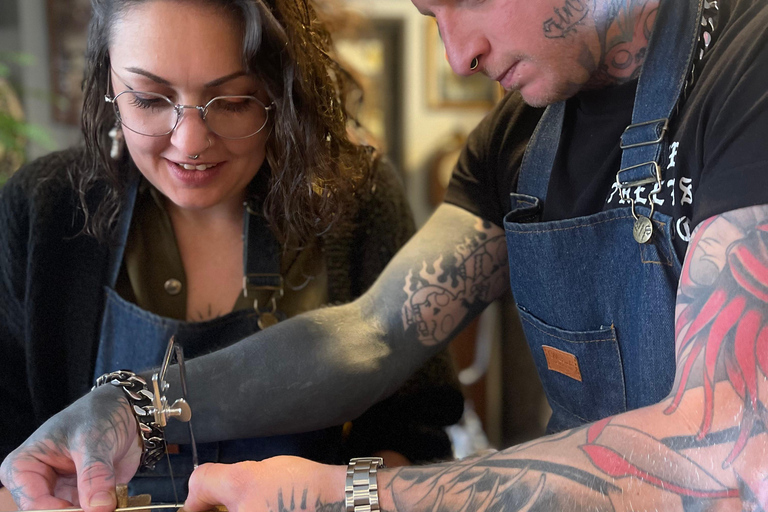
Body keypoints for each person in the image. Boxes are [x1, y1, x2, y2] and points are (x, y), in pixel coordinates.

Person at [4, 0, 768, 509]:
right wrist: (135, 407)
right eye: (432, 14)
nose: (458, 53)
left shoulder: (748, 73)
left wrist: (345, 494)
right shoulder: (514, 143)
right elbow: (369, 335)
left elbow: (730, 447)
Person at [0, 0, 466, 506]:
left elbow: (415, 437)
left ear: (280, 88)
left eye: (234, 101)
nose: (190, 141)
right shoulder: (42, 208)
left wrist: (342, 498)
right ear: (108, 83)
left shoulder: (358, 200)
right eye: (150, 99)